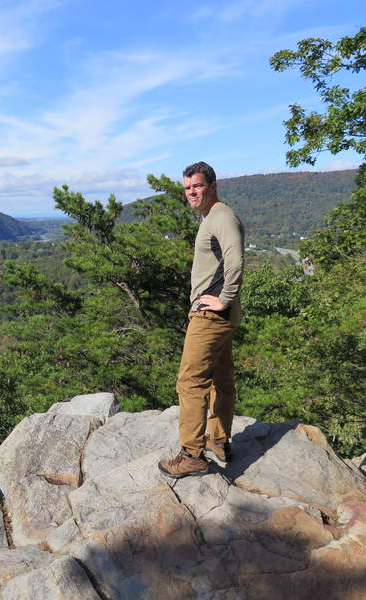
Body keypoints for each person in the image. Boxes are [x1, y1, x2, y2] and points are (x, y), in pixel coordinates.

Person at [158, 161, 244, 478]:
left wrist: (223, 299)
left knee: (190, 382)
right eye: (187, 187)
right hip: (221, 315)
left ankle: (192, 455)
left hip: (211, 315)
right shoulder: (214, 217)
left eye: (197, 186)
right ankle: (218, 440)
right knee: (221, 381)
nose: (192, 192)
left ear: (212, 185)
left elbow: (235, 259)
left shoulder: (221, 216)